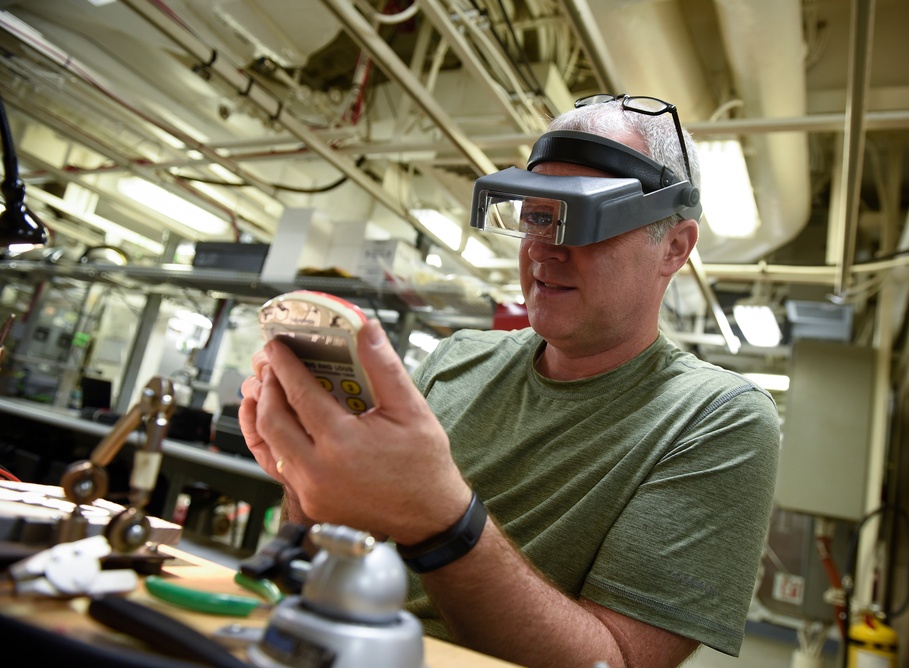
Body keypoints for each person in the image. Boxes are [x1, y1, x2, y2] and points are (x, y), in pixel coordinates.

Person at [239, 94, 780, 668]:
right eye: (534, 216)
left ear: (674, 247)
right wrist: (307, 480)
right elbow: (339, 556)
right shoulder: (457, 359)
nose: (544, 249)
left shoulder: (718, 419)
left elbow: (615, 663)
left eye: (583, 220)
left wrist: (443, 518)